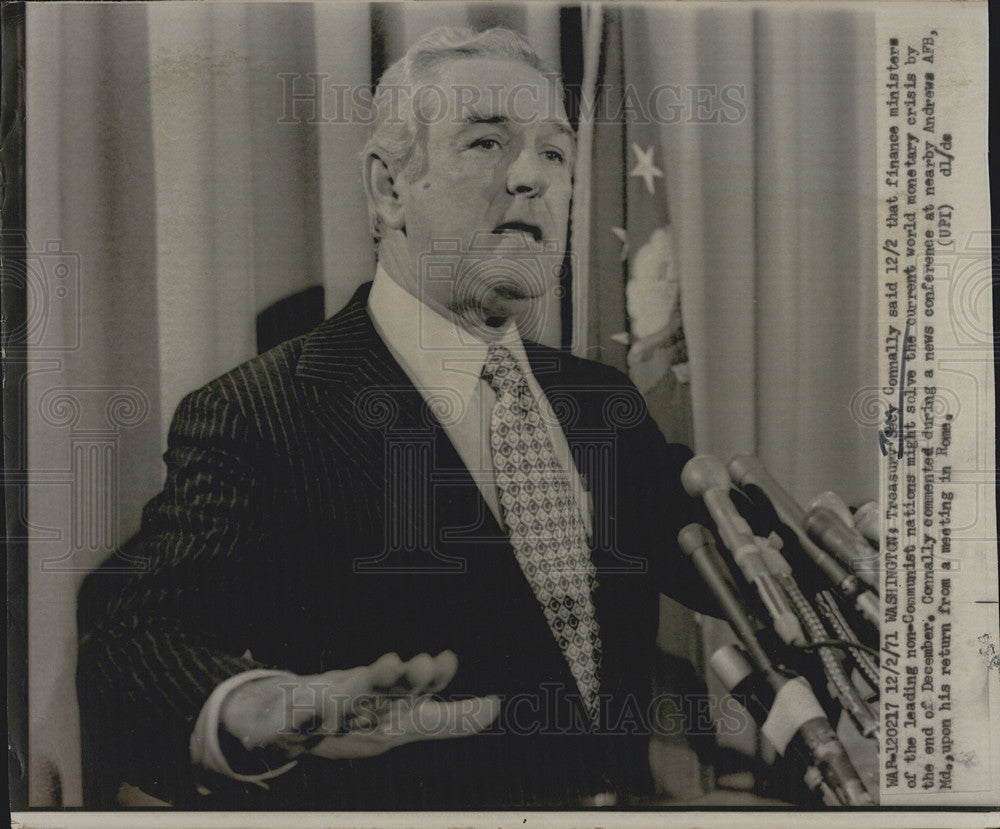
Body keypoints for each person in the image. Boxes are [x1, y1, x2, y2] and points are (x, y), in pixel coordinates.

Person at [76, 26, 717, 810]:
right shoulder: (259, 412)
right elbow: (130, 638)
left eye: (554, 153)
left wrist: (836, 551)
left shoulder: (600, 400)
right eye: (488, 142)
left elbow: (709, 546)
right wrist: (249, 702)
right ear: (388, 188)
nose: (531, 177)